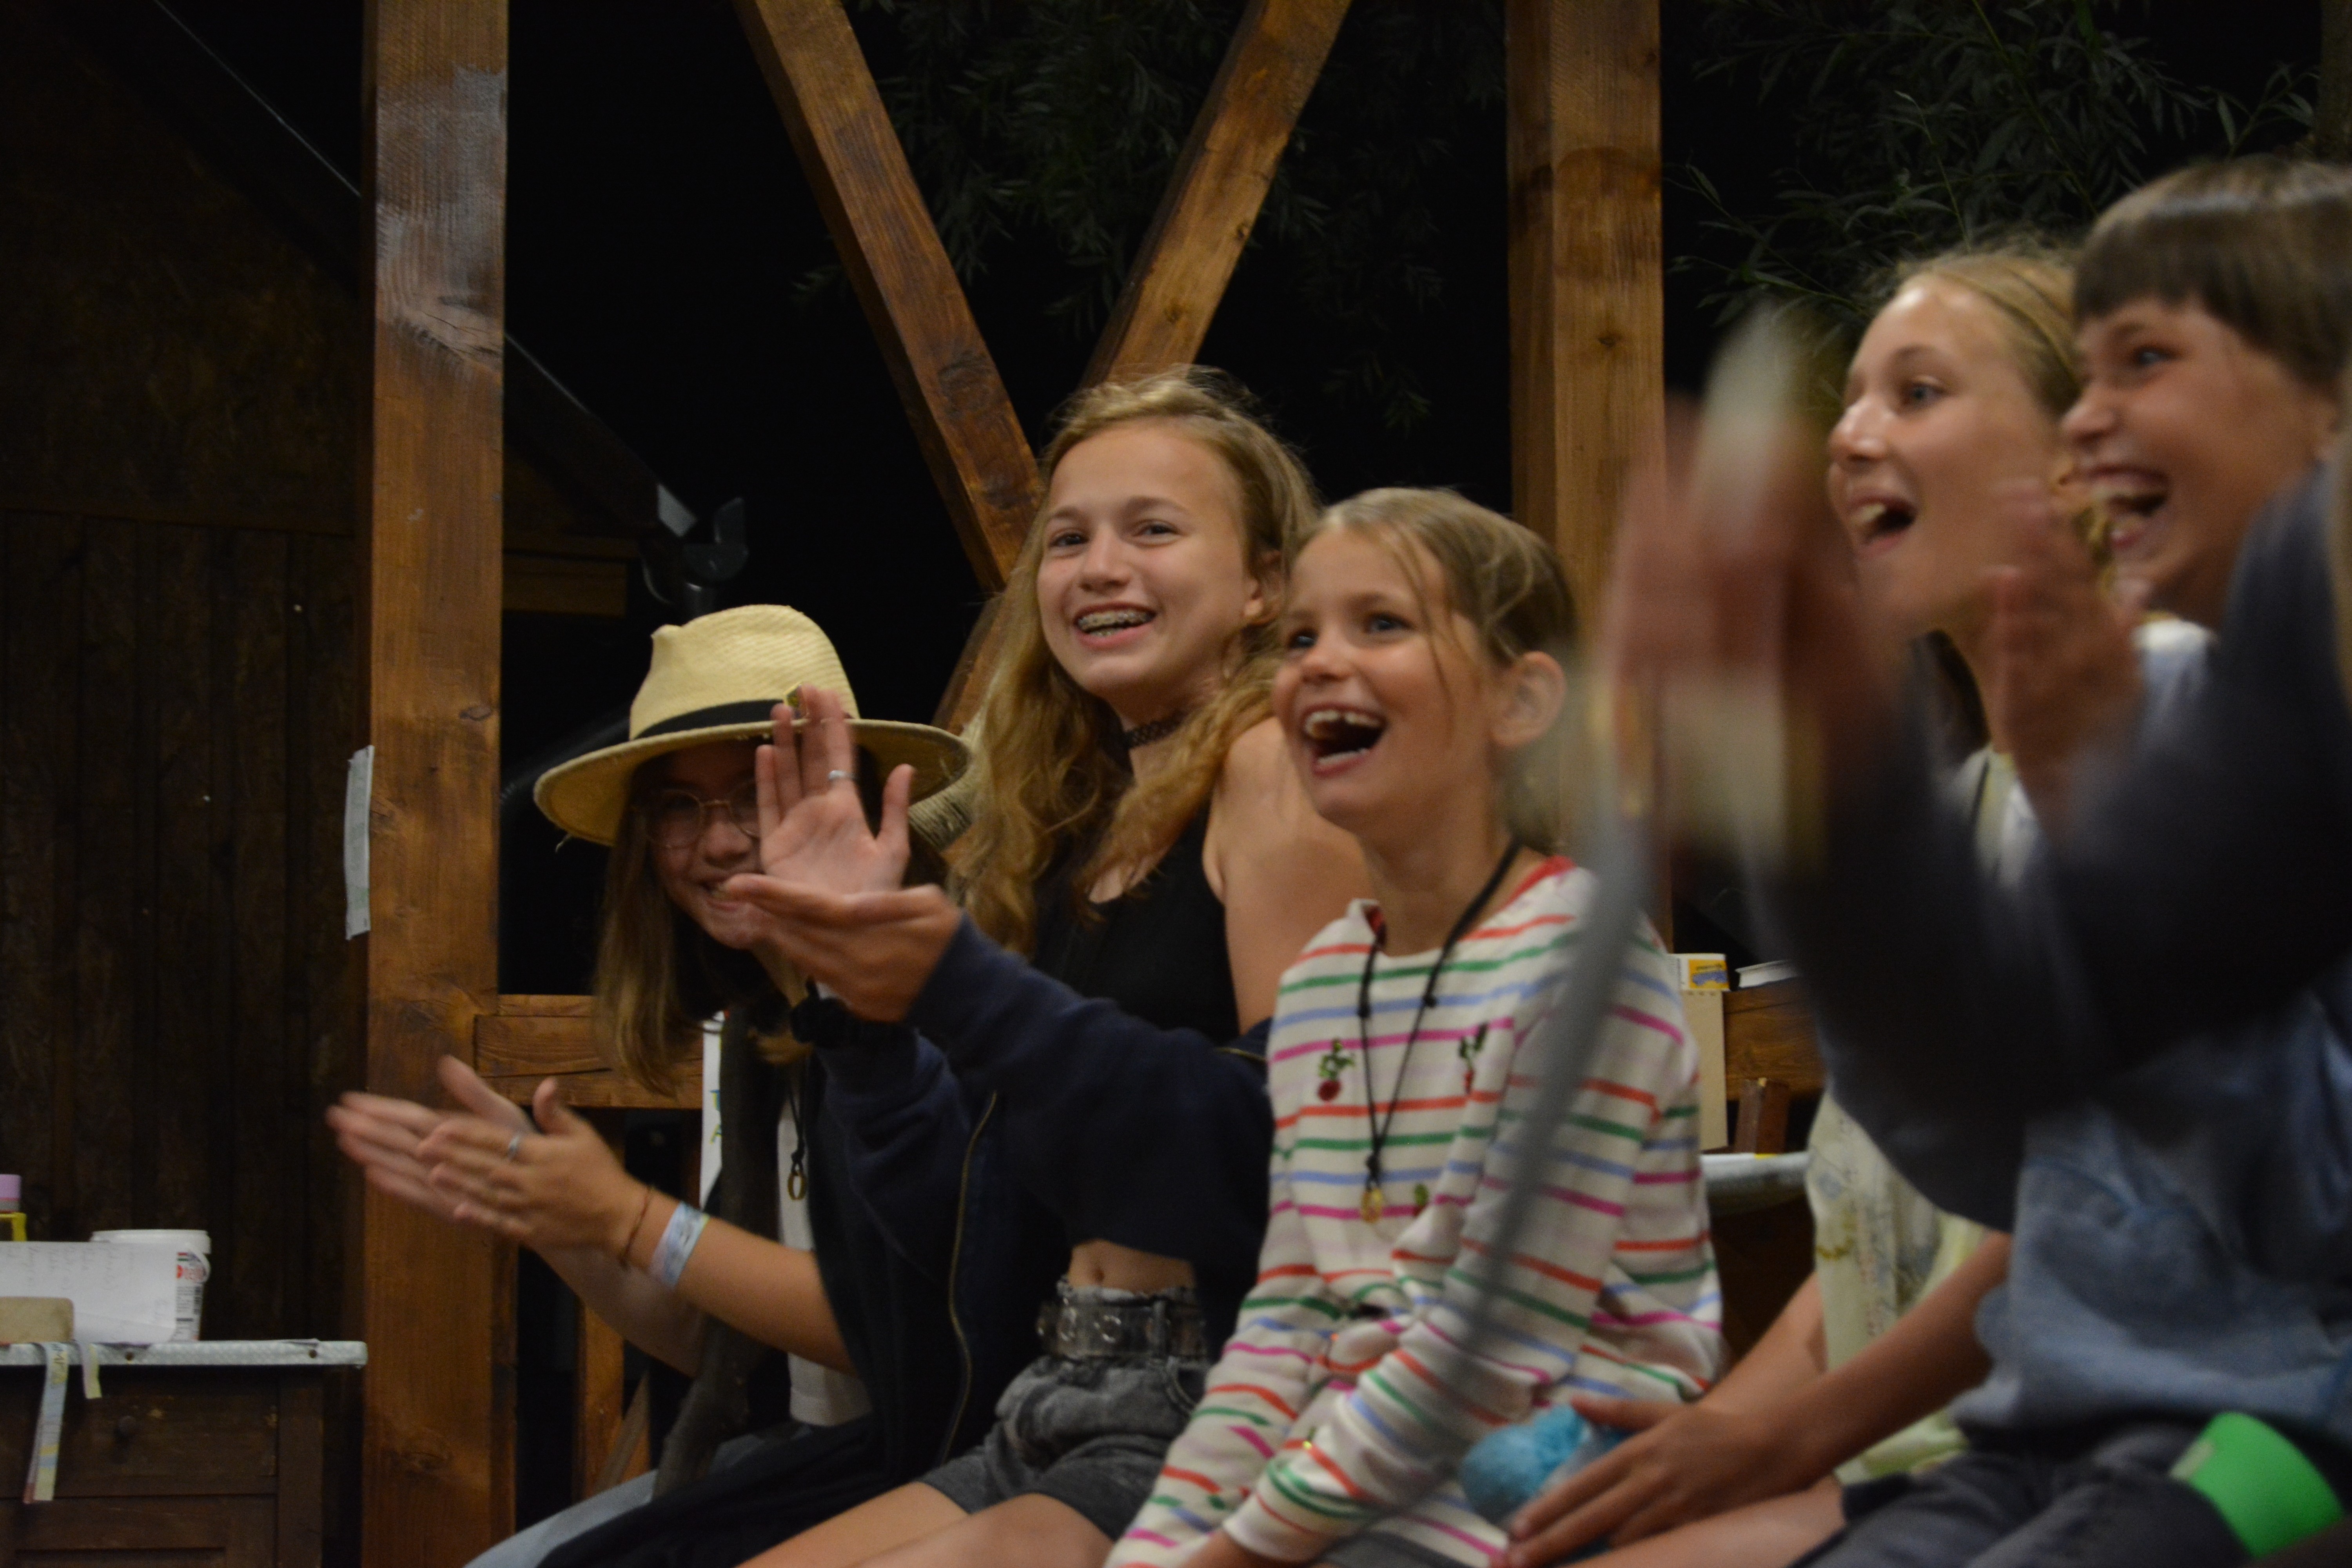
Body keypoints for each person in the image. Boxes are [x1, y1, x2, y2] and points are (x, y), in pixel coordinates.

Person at [1607, 155, 2352, 1568]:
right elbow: (1999, 1129)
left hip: (2286, 1434)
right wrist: (1835, 804)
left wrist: (2086, 803)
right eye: (2082, 376)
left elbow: (2307, 1210)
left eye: (2142, 361)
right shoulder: (2233, 722)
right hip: (2058, 1428)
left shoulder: (2212, 705)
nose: (2092, 422)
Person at [716, 368, 1370, 1568]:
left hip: (1230, 1395)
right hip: (1055, 1391)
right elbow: (954, 1227)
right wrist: (856, 1004)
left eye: (1153, 530)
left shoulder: (1276, 771)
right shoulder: (1061, 842)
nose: (1099, 567)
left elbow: (1289, 1149)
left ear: (1265, 585)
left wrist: (958, 984)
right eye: (1067, 540)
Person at [1508, 245, 2094, 1568]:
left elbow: (2074, 1205)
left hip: (2067, 1467)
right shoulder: (1963, 811)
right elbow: (1877, 1228)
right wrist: (1713, 1437)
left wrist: (1786, 1441)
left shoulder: (2159, 735)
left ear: (2084, 444)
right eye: (1847, 403)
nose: (1850, 438)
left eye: (1921, 392)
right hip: (1931, 1469)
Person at [1073, 488, 1715, 1568]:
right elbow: (1283, 1325)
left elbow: (1490, 1354)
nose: (1321, 662)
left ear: (1521, 703)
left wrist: (1234, 1556)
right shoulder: (1327, 982)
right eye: (1299, 637)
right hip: (1360, 1486)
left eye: (1383, 625)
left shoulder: (1582, 967)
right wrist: (1159, 1550)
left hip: (1560, 1478)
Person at [326, 605, 976, 1568]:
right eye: (679, 807)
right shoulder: (767, 1024)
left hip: (945, 1467)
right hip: (823, 1454)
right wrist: (552, 1215)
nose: (716, 845)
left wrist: (635, 1218)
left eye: (757, 792)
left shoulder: (934, 1007)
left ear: (855, 795)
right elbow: (732, 1346)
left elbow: (902, 1332)